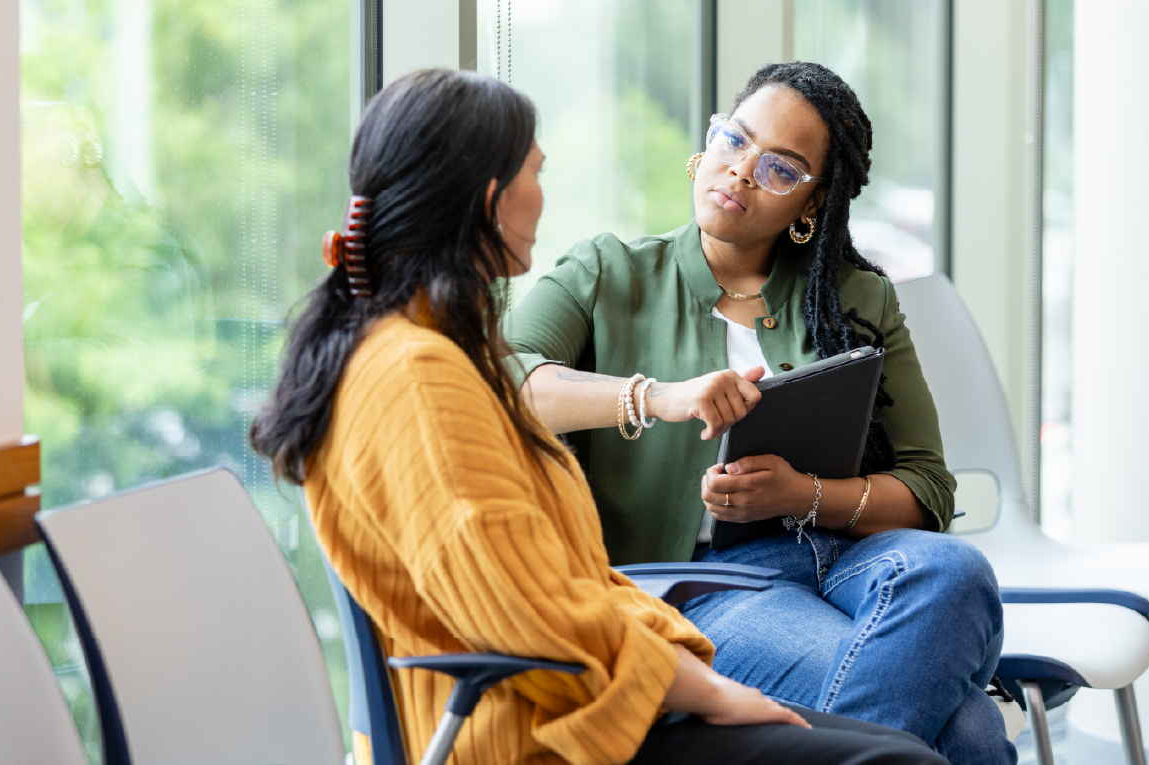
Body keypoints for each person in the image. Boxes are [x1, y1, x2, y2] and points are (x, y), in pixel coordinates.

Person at [250, 68, 947, 765]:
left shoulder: (428, 358)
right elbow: (524, 607)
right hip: (547, 724)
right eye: (536, 172)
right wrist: (701, 686)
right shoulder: (421, 374)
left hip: (592, 684)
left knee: (942, 641)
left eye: (779, 167)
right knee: (912, 751)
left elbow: (549, 585)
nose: (544, 197)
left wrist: (683, 661)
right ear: (493, 199)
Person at [505, 62, 1015, 763]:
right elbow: (502, 381)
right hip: (704, 584)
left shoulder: (858, 297)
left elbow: (928, 490)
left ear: (814, 202)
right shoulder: (608, 272)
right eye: (734, 141)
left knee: (956, 573)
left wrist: (799, 494)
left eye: (781, 169)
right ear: (707, 141)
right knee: (969, 730)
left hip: (852, 559)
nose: (742, 171)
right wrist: (657, 395)